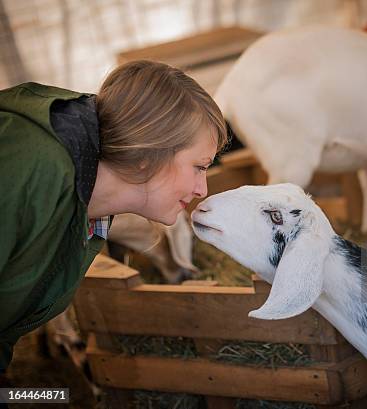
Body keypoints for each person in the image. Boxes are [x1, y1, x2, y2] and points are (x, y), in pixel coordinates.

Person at [0, 60, 227, 374]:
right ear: (149, 154)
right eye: (199, 167)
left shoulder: (89, 215)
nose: (203, 189)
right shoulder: (26, 170)